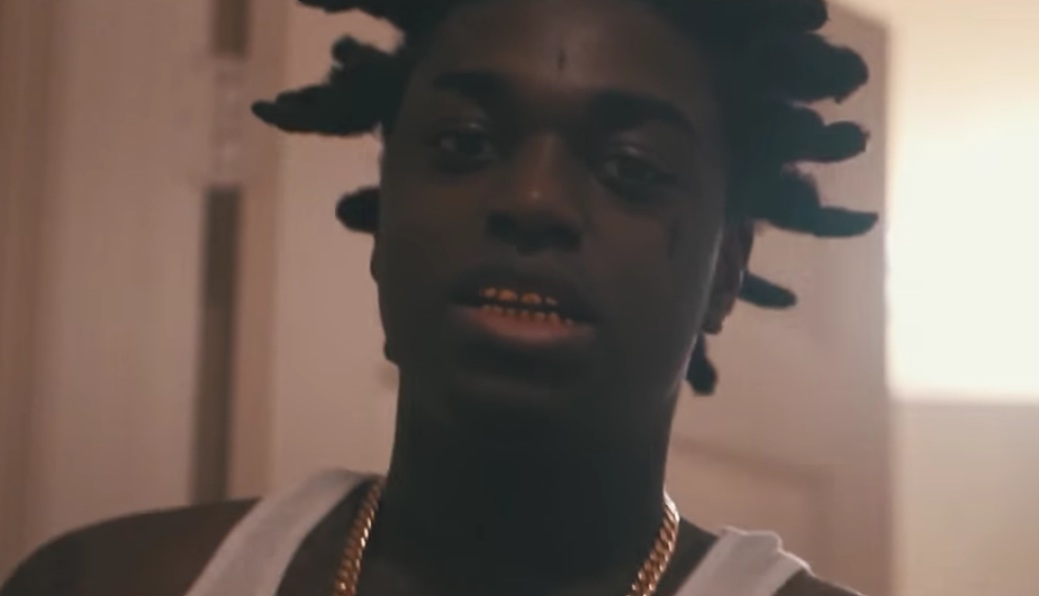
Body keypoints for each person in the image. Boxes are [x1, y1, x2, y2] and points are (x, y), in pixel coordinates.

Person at [1, 0, 877, 594]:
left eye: (629, 168)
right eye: (464, 143)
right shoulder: (106, 581)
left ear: (724, 271)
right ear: (383, 221)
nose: (532, 200)